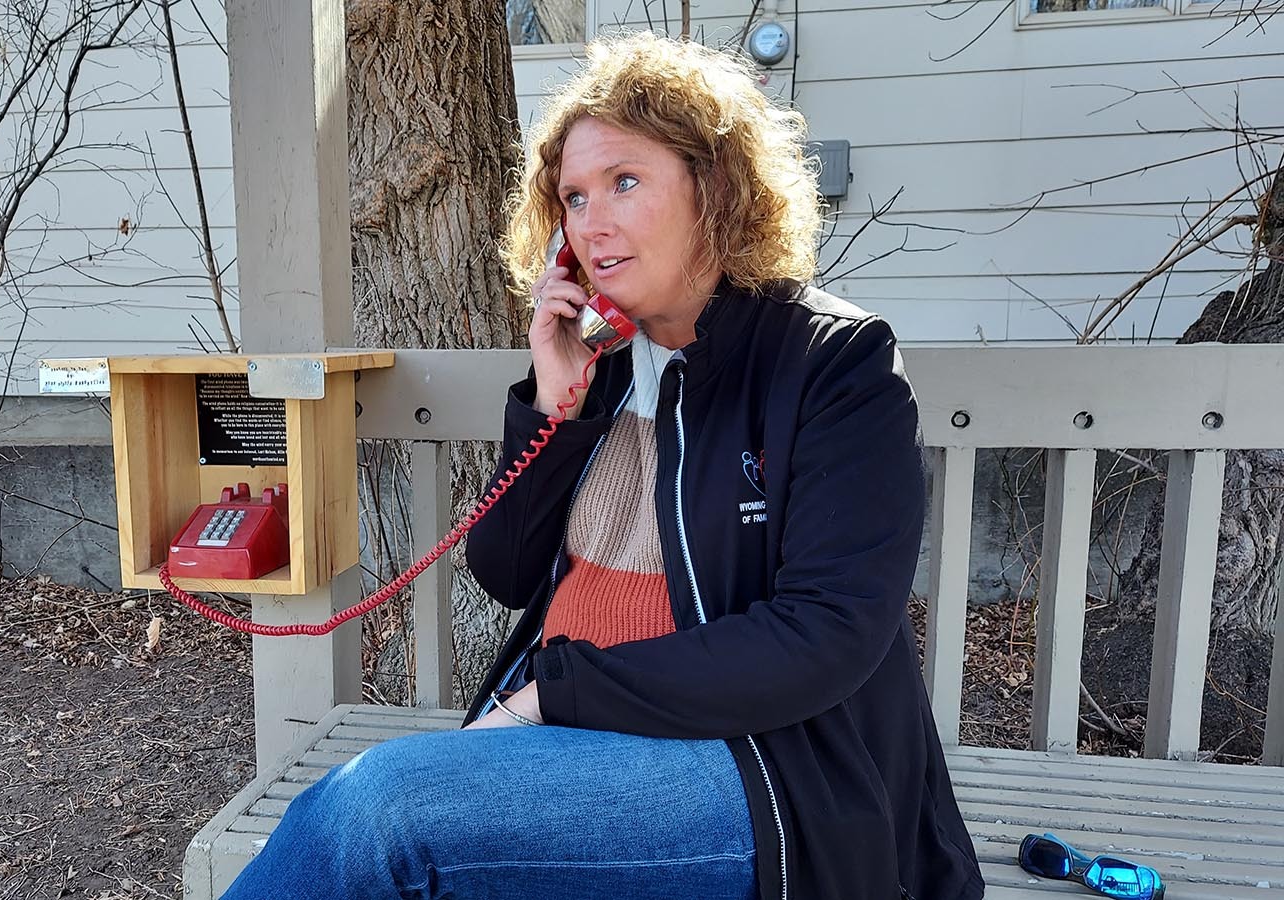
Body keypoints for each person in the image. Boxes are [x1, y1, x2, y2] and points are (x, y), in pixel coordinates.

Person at [220, 32, 983, 900]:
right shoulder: (606, 368)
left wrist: (551, 692)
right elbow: (505, 571)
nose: (593, 222)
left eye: (625, 182)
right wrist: (554, 403)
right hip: (578, 743)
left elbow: (824, 637)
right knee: (359, 826)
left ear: (716, 186)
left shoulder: (836, 364)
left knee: (378, 816)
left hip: (764, 772)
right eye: (574, 199)